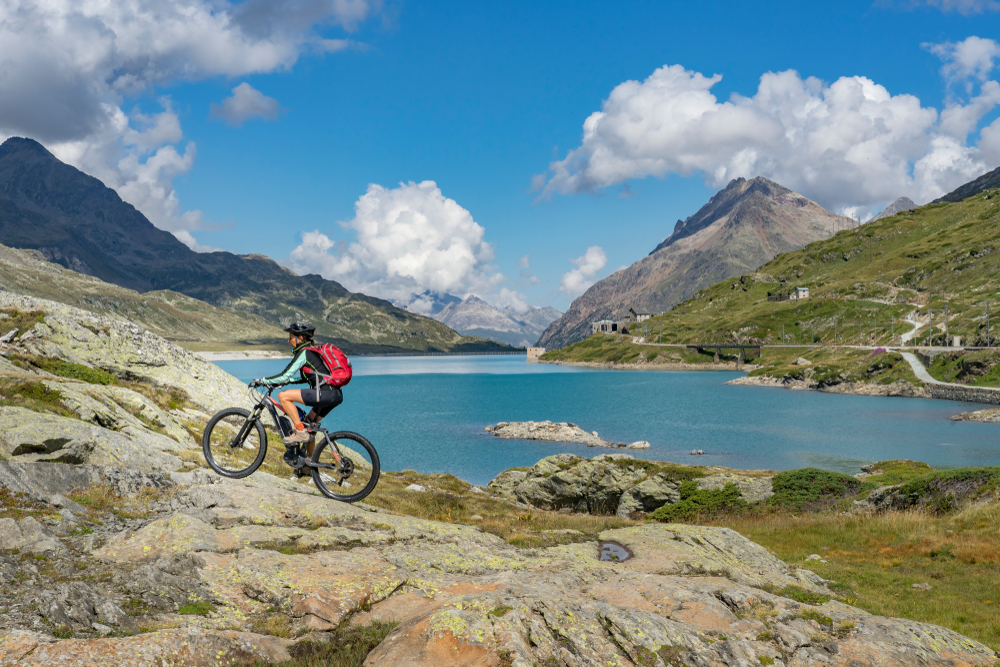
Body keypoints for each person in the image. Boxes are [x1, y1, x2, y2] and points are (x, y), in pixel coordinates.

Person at [252, 323, 344, 464]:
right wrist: (288, 382)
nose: (288, 341)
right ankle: (310, 466)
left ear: (300, 338)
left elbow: (285, 375)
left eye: (290, 337)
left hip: (325, 393)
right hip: (334, 394)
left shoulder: (304, 353)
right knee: (309, 428)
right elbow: (308, 376)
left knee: (283, 396)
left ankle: (299, 431)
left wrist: (263, 380)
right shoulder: (312, 351)